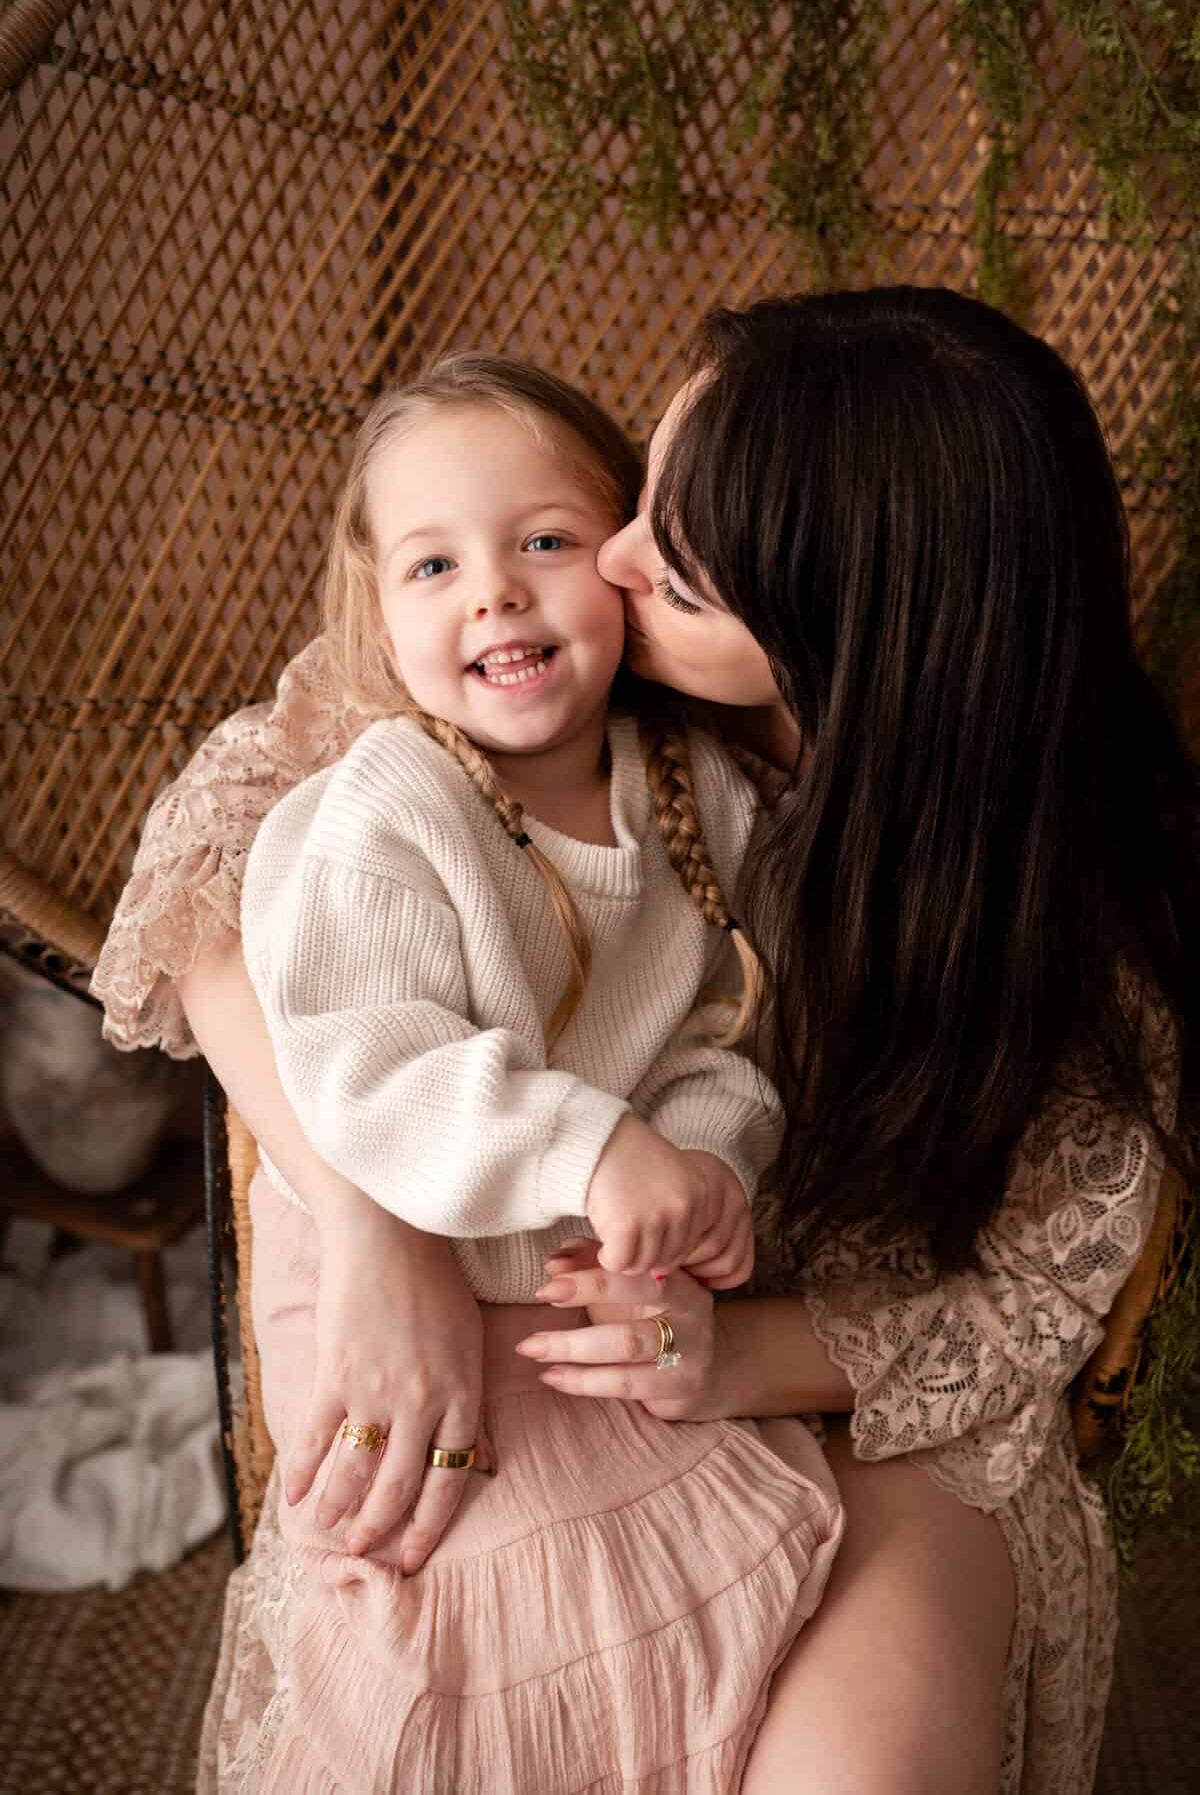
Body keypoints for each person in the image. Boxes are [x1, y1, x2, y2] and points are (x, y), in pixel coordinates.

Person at [93, 285, 1199, 1795]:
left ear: (836, 634)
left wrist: (732, 1348)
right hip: (547, 1295)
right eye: (644, 499)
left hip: (857, 1383)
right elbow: (218, 867)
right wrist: (377, 1225)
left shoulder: (1055, 915)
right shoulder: (529, 701)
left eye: (665, 558)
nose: (607, 554)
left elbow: (1019, 1310)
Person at [189, 351, 846, 1792]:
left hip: (567, 1262)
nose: (493, 590)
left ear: (627, 561)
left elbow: (716, 1033)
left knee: (735, 1549)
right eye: (433, 565)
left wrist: (705, 1167)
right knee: (466, 1622)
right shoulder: (383, 809)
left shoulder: (699, 794)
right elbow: (370, 1065)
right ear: (379, 612)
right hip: (401, 1228)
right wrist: (592, 1150)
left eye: (543, 542)